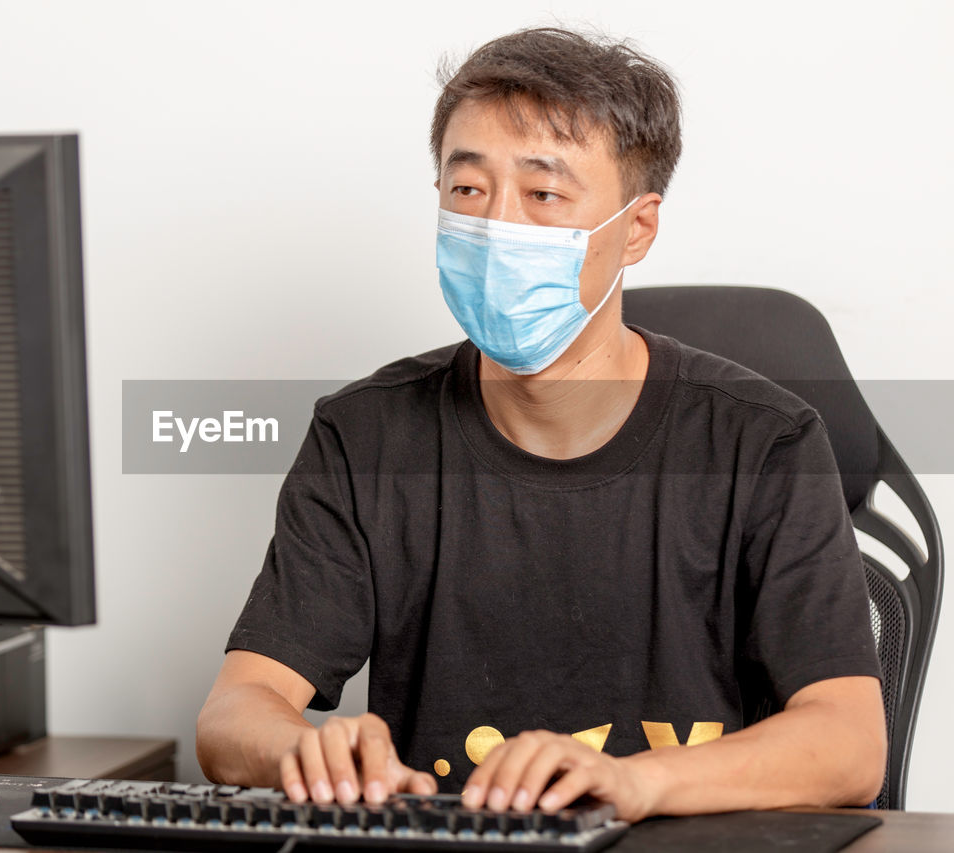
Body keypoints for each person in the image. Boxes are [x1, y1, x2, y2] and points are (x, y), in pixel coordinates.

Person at [195, 27, 885, 822]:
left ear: (636, 228)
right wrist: (300, 749)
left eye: (544, 194)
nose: (495, 228)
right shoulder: (367, 436)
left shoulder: (764, 441)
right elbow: (235, 709)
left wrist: (634, 782)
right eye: (467, 190)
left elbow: (849, 743)